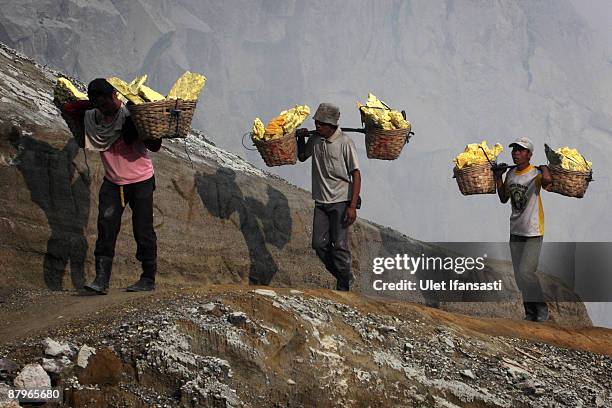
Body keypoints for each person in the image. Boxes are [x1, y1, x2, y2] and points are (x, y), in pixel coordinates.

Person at [82, 78, 162, 294]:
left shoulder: (132, 116)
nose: (102, 106)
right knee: (106, 228)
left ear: (114, 96)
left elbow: (155, 145)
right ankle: (101, 279)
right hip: (112, 182)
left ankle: (148, 278)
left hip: (141, 181)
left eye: (105, 101)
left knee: (143, 229)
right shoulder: (93, 118)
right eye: (97, 103)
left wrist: (140, 129)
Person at [296, 103, 361, 291]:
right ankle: (344, 276)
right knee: (319, 244)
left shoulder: (345, 143)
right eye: (316, 123)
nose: (317, 127)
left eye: (320, 124)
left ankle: (343, 286)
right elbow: (302, 156)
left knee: (340, 244)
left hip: (341, 200)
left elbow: (356, 174)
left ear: (331, 126)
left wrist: (352, 206)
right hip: (321, 200)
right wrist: (301, 139)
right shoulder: (315, 140)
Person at [493, 137, 552, 321]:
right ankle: (530, 312)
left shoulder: (535, 174)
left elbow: (549, 182)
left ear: (529, 155)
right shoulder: (511, 175)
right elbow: (504, 198)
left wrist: (543, 168)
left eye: (520, 150)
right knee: (519, 276)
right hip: (516, 230)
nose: (515, 153)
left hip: (533, 231)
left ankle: (541, 308)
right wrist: (498, 176)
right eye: (514, 150)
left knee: (527, 271)